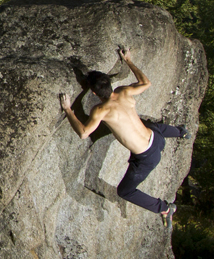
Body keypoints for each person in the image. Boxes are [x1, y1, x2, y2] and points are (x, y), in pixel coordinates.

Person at [58, 46, 188, 226]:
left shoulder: (101, 110)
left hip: (146, 158)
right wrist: (128, 61)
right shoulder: (123, 92)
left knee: (125, 192)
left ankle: (164, 208)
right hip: (156, 138)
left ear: (94, 93)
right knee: (151, 126)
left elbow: (83, 133)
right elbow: (145, 83)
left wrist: (68, 110)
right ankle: (181, 132)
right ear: (109, 84)